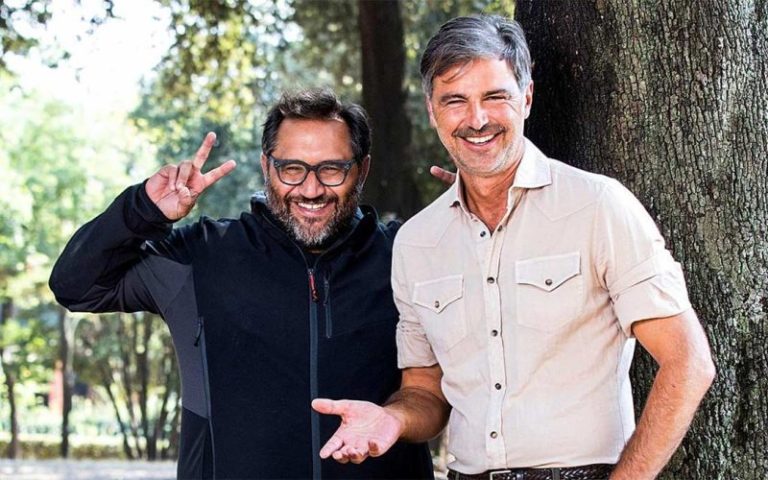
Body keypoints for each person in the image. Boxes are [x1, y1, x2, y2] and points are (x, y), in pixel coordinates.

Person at [312, 15, 716, 480]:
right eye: (455, 100)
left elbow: (689, 363)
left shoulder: (598, 206)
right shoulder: (417, 242)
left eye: (495, 97)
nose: (477, 119)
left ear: (526, 97)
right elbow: (424, 389)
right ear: (432, 110)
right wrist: (394, 418)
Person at [49, 89, 433, 479]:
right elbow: (76, 286)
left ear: (362, 170)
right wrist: (143, 210)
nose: (311, 189)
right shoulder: (201, 256)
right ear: (267, 166)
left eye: (332, 169)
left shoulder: (408, 255)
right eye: (291, 169)